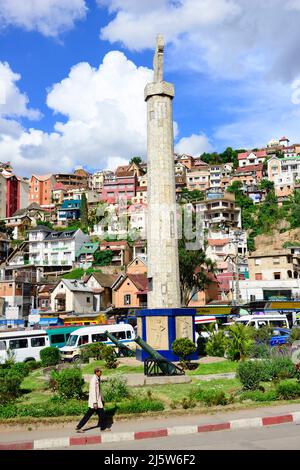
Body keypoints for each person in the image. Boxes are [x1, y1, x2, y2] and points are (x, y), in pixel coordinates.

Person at [76, 367, 110, 432]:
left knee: (101, 415)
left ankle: (102, 427)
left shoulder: (97, 379)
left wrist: (102, 399)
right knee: (90, 415)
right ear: (97, 372)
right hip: (95, 402)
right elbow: (93, 391)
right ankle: (79, 427)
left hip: (98, 401)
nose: (101, 373)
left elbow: (99, 391)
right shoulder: (94, 380)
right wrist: (95, 402)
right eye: (100, 372)